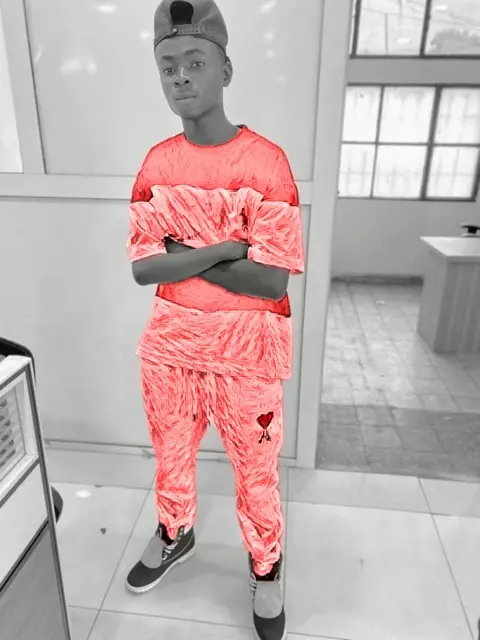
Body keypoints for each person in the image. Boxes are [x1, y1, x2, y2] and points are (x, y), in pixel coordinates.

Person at [125, 1, 304, 638]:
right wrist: (228, 248)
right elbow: (144, 269)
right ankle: (175, 532)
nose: (180, 76)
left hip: (248, 354)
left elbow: (272, 279)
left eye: (195, 62)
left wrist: (184, 253)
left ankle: (266, 566)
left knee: (256, 474)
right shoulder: (156, 165)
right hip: (170, 349)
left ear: (225, 70)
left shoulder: (267, 164)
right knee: (170, 457)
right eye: (167, 65)